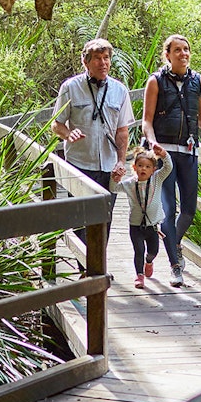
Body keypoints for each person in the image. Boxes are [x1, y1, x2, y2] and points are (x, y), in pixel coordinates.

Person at [141, 34, 201, 286]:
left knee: (190, 210)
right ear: (167, 54)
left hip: (189, 151)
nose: (183, 54)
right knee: (169, 210)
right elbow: (146, 121)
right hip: (164, 155)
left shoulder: (198, 82)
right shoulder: (156, 81)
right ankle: (175, 266)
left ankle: (170, 242)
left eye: (186, 49)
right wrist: (152, 142)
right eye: (177, 50)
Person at [51, 38, 133, 263]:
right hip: (79, 163)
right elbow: (56, 124)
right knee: (80, 218)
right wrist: (68, 134)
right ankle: (85, 267)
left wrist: (121, 161)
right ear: (86, 62)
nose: (103, 62)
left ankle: (96, 265)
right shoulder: (70, 87)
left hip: (109, 165)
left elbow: (122, 131)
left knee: (105, 219)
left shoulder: (119, 90)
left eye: (106, 58)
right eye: (97, 58)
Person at [112, 144, 171, 289]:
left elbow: (168, 167)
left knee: (153, 251)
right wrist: (115, 178)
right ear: (134, 167)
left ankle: (149, 262)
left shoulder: (157, 179)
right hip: (135, 225)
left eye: (147, 167)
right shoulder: (130, 184)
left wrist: (163, 154)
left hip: (152, 225)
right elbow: (114, 188)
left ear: (153, 170)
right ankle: (139, 276)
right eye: (140, 165)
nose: (143, 169)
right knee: (138, 250)